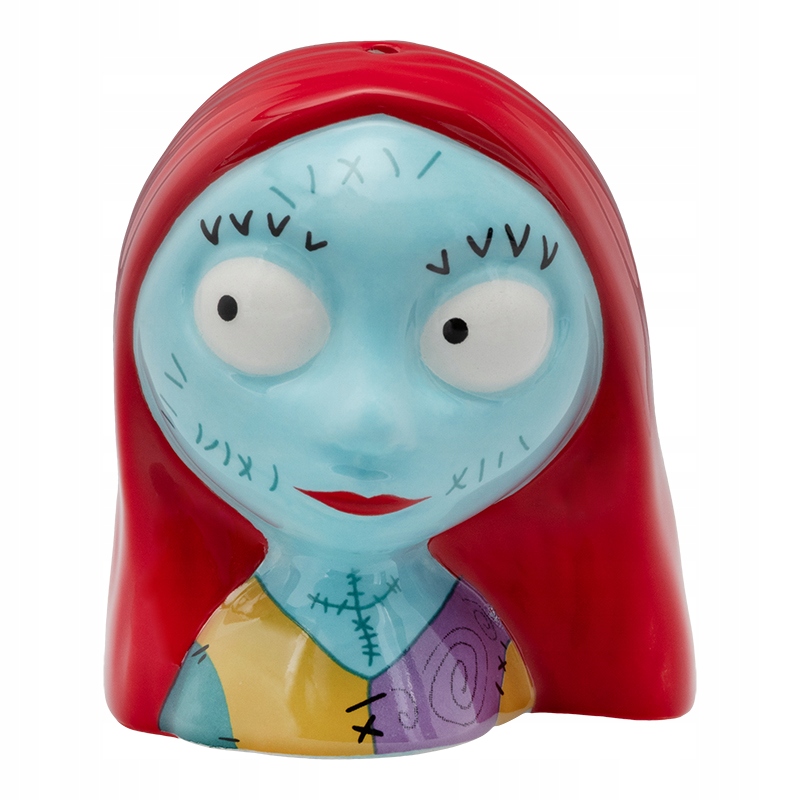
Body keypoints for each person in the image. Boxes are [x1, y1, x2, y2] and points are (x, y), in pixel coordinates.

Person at [108, 42, 695, 756]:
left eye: (477, 330)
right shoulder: (224, 668)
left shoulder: (480, 653)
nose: (369, 420)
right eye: (246, 312)